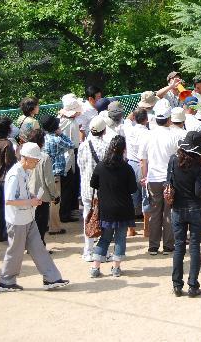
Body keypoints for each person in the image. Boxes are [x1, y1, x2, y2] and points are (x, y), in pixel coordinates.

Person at [0, 143, 69, 292]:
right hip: (17, 219)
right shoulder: (15, 174)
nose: (37, 162)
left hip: (27, 217)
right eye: (35, 159)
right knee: (15, 252)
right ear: (27, 158)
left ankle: (52, 278)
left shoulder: (24, 171)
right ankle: (6, 281)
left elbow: (20, 195)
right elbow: (9, 200)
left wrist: (31, 197)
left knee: (38, 248)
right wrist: (31, 201)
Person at [170, 131, 201, 297]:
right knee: (195, 247)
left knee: (178, 247)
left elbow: (170, 183)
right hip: (196, 208)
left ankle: (177, 284)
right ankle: (193, 285)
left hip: (177, 208)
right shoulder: (198, 165)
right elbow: (198, 191)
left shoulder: (173, 161)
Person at [89, 136, 137, 278]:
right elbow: (133, 189)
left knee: (104, 238)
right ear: (123, 149)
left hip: (106, 208)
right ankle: (116, 268)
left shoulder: (101, 166)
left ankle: (95, 268)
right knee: (120, 238)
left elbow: (93, 184)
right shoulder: (127, 168)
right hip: (123, 208)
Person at [140, 99, 181, 255]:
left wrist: (145, 177)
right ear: (169, 119)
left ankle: (153, 246)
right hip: (169, 179)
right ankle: (169, 245)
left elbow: (143, 161)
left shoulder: (148, 135)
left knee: (155, 212)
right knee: (169, 212)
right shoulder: (174, 136)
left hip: (153, 179)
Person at [77, 116, 112, 260]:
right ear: (104, 131)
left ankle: (88, 251)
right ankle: (103, 252)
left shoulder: (83, 146)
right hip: (102, 189)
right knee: (104, 220)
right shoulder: (106, 146)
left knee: (88, 217)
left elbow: (80, 164)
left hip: (86, 188)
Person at [41, 116, 77, 225]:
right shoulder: (57, 139)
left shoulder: (44, 138)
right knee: (59, 197)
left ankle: (50, 221)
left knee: (49, 196)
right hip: (58, 171)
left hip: (47, 170)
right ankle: (60, 219)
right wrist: (61, 134)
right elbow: (72, 144)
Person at [26, 128, 59, 245]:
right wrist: (54, 195)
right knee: (41, 222)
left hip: (27, 194)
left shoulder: (24, 155)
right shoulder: (44, 157)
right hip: (41, 195)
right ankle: (39, 246)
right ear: (41, 142)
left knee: (29, 222)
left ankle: (29, 245)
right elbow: (49, 180)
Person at [0, 117, 17, 242]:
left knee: (1, 206)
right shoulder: (7, 144)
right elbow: (10, 162)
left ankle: (2, 234)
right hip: (7, 179)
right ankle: (9, 233)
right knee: (10, 206)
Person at [58, 96, 83, 222]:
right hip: (69, 158)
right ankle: (65, 214)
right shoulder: (72, 124)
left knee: (62, 187)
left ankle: (64, 212)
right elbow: (75, 144)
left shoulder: (60, 120)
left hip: (59, 158)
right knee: (68, 187)